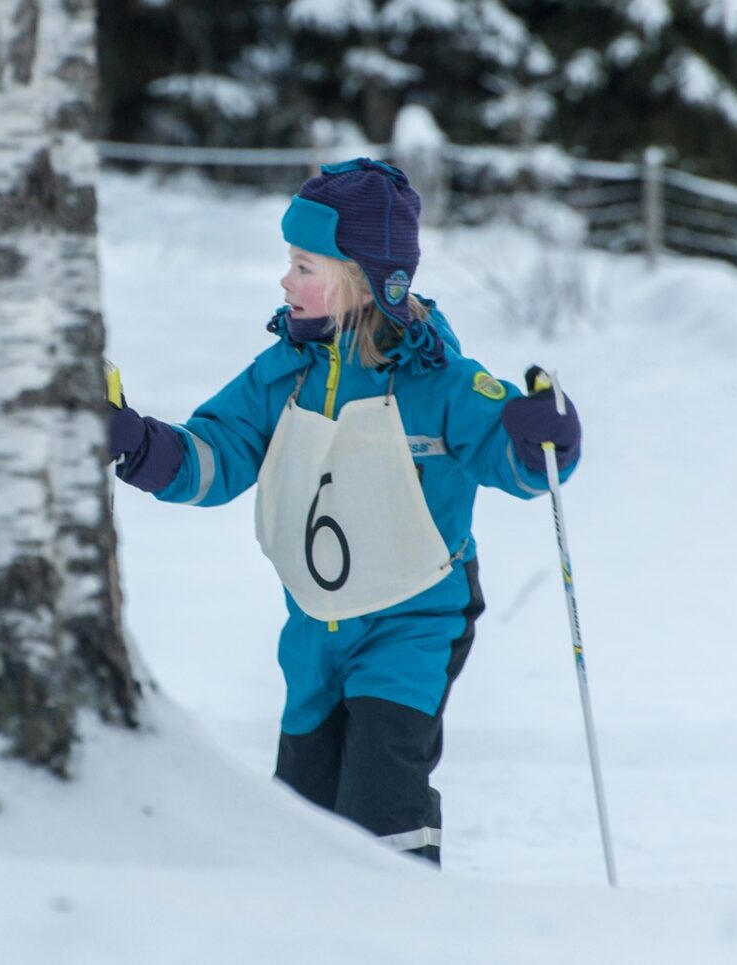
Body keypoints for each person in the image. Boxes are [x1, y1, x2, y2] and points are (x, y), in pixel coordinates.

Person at [108, 158, 581, 864]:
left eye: (305, 265)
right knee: (300, 818)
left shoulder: (438, 381)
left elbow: (510, 454)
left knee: (379, 809)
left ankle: (401, 926)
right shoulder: (283, 373)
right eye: (288, 262)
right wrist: (138, 445)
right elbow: (215, 455)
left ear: (363, 278)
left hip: (414, 623)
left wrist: (545, 435)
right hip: (314, 632)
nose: (285, 280)